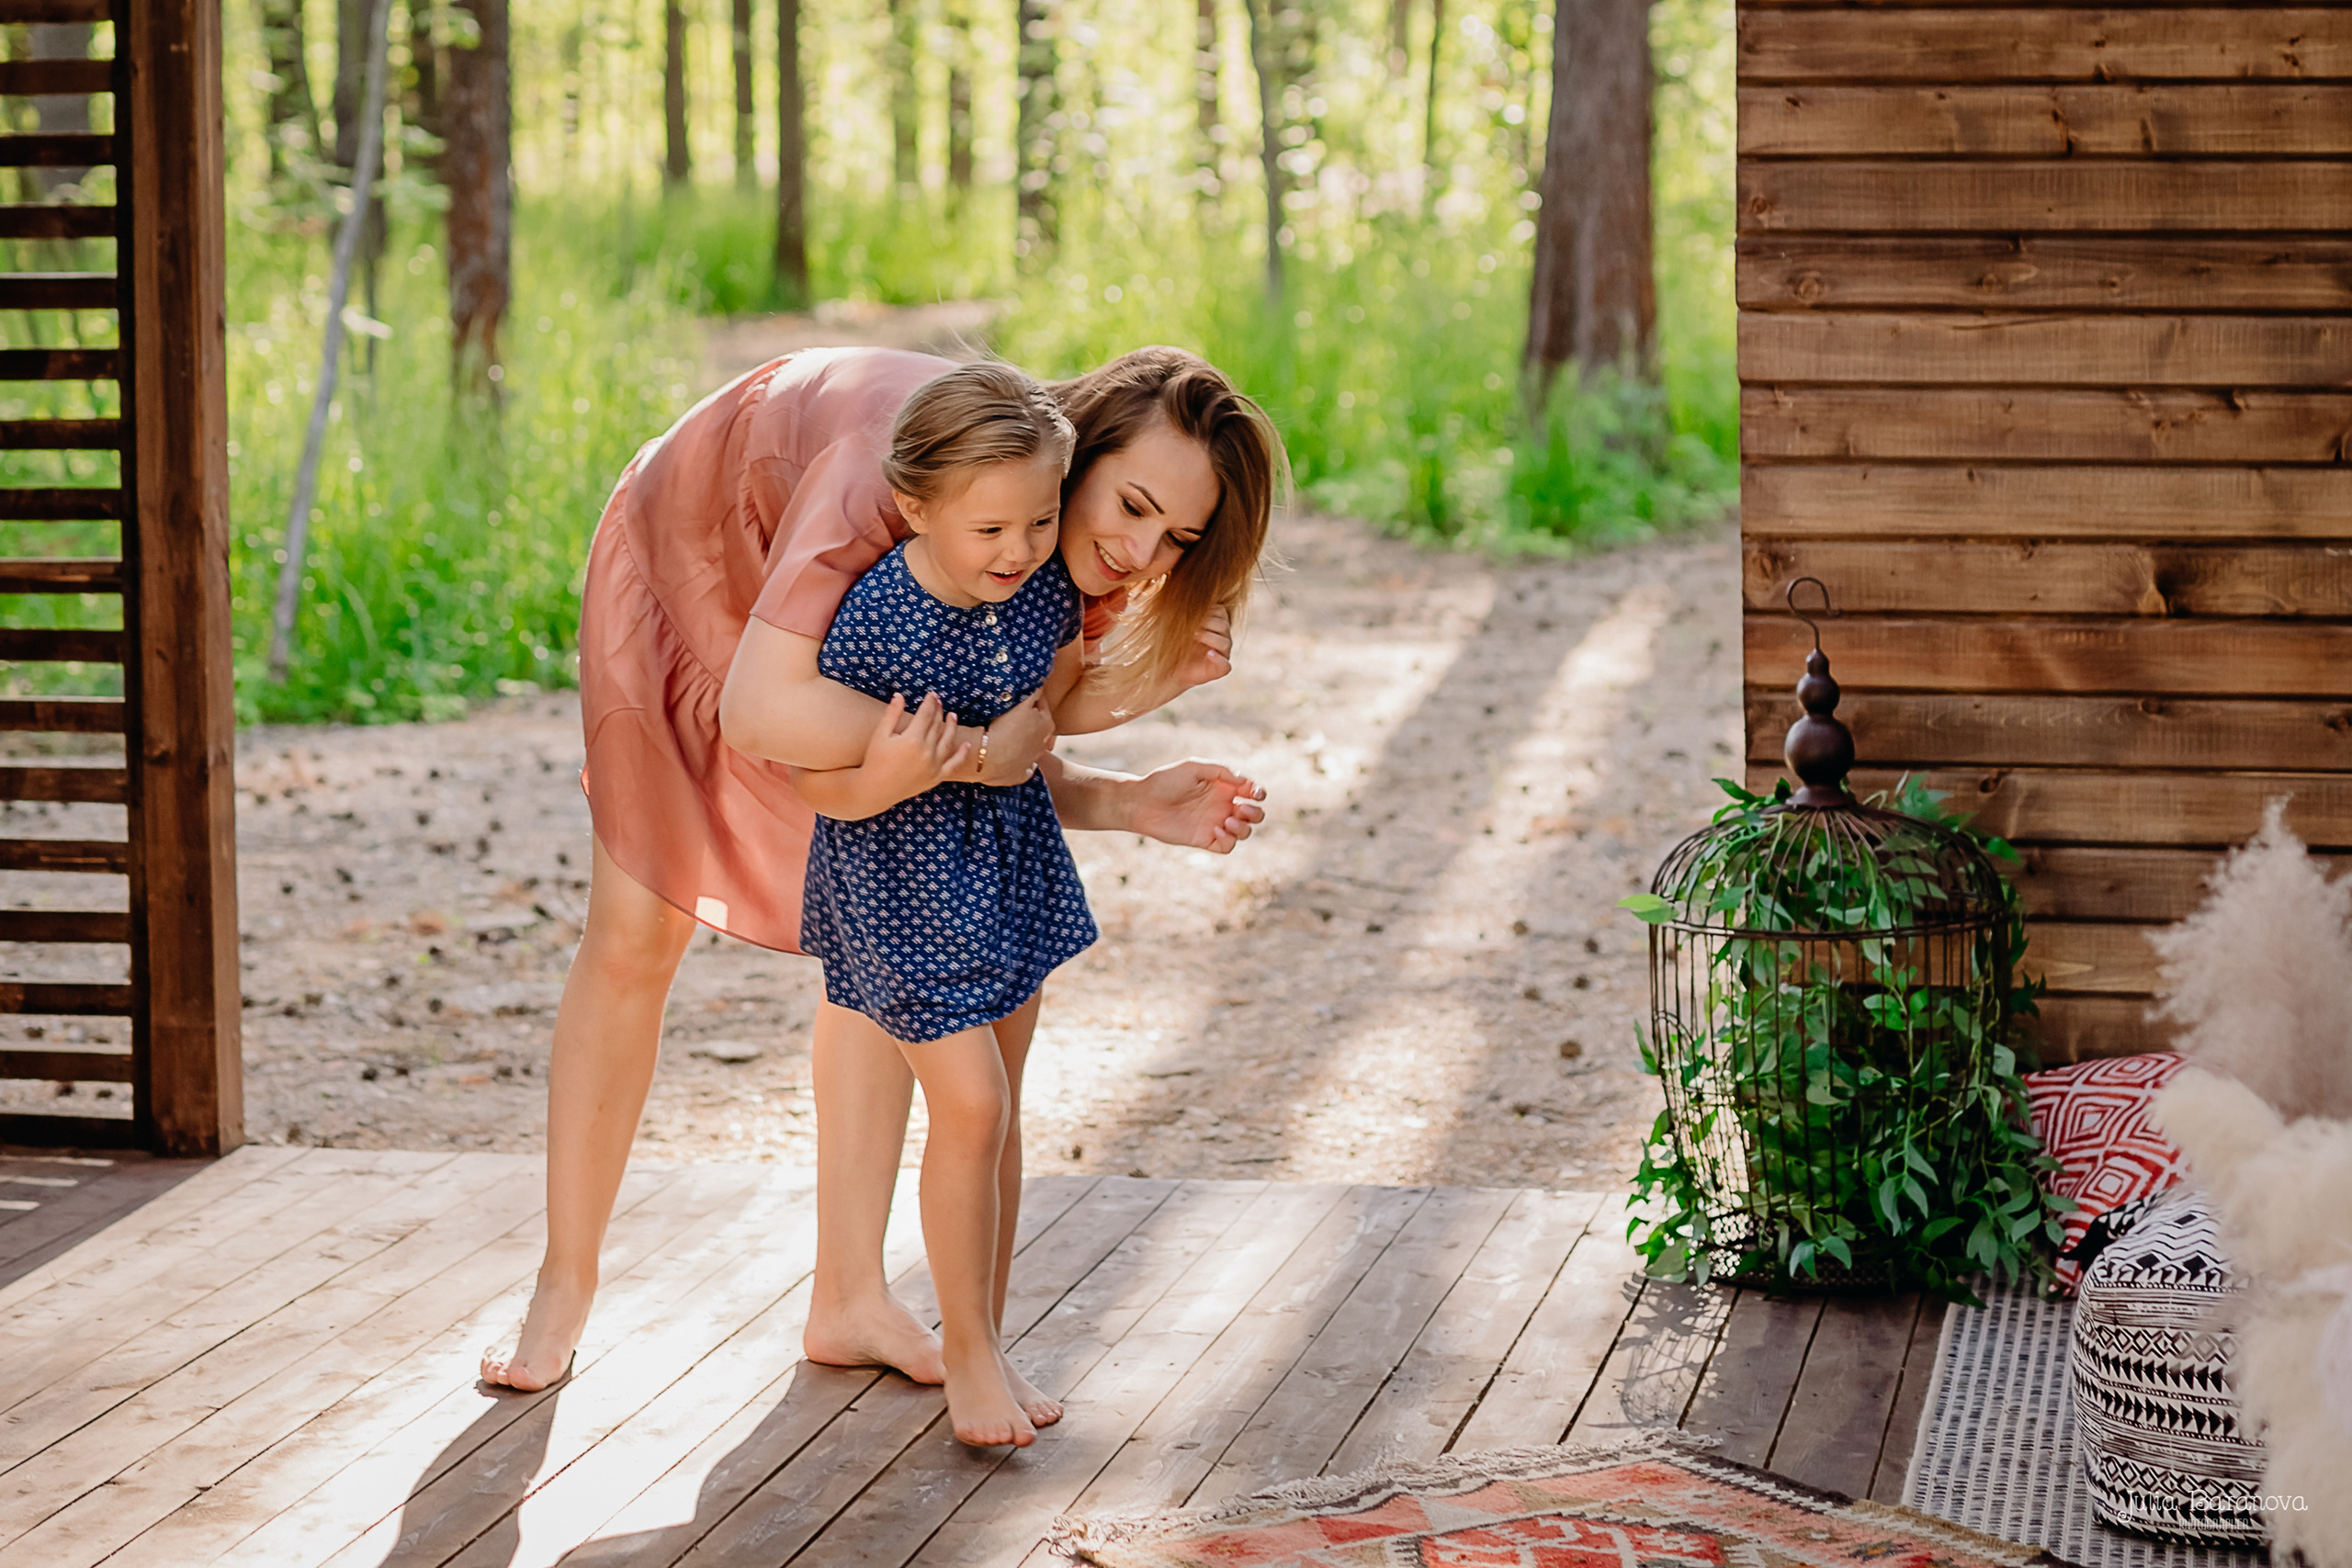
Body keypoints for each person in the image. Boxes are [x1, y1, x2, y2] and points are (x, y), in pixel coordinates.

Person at [481, 344, 1283, 1394]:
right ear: (1077, 450)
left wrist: (1129, 733)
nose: (1143, 554)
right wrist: (979, 750)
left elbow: (1006, 745)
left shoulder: (1031, 534)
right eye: (1131, 505)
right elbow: (768, 711)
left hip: (842, 653)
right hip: (702, 543)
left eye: (1176, 536)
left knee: (879, 915)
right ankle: (564, 1282)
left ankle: (849, 1299)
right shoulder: (922, 483)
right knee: (640, 931)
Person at [792, 361, 1096, 1447]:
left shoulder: (1042, 584)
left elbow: (1052, 700)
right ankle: (965, 1358)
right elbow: (812, 776)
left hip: (1004, 869)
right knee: (968, 1107)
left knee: (998, 1111)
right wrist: (906, 773)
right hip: (897, 881)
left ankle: (990, 1339)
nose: (1017, 550)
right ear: (916, 507)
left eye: (1039, 519)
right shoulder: (877, 620)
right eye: (989, 530)